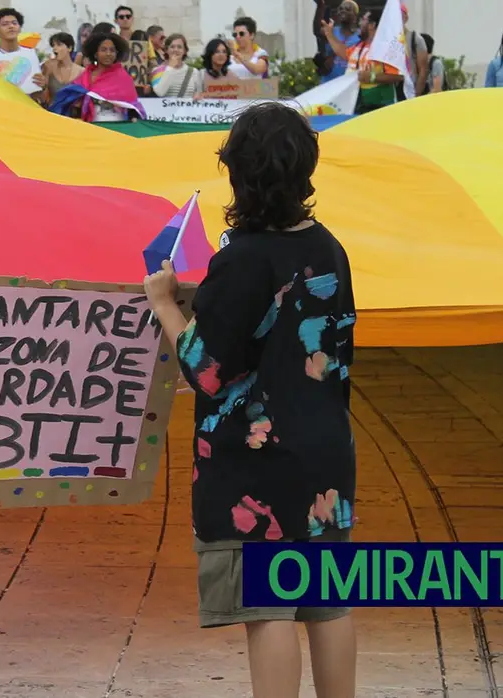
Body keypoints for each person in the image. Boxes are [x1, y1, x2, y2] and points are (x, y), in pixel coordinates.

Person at [143, 101, 357, 698]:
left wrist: (164, 302)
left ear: (237, 172)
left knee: (270, 610)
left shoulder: (240, 258)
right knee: (327, 603)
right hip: (326, 451)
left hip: (257, 462)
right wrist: (207, 297)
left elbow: (205, 370)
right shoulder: (327, 247)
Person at [50, 31, 143, 123]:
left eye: (112, 50)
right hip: (92, 130)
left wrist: (134, 118)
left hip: (118, 130)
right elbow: (70, 102)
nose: (108, 53)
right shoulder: (85, 76)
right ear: (95, 54)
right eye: (103, 50)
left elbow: (133, 107)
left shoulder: (123, 78)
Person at [327, 9, 400, 114]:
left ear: (372, 25)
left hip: (381, 107)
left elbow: (398, 76)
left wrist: (372, 77)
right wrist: (328, 33)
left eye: (363, 20)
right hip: (357, 106)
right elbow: (342, 52)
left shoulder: (387, 48)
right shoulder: (359, 46)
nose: (360, 23)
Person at [314, 0, 359, 83]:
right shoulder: (331, 31)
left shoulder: (359, 38)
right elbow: (316, 30)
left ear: (355, 17)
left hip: (348, 86)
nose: (343, 10)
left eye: (348, 9)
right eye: (341, 8)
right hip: (327, 84)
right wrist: (320, 6)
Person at [40, 31, 82, 104]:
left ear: (69, 48)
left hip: (72, 113)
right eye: (53, 45)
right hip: (52, 111)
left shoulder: (81, 71)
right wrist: (43, 86)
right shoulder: (49, 66)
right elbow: (42, 98)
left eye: (59, 45)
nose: (54, 48)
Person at [151, 33, 192, 98]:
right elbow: (160, 92)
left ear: (185, 51)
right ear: (166, 50)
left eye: (179, 47)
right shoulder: (157, 71)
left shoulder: (194, 72)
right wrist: (170, 67)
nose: (176, 50)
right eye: (172, 47)